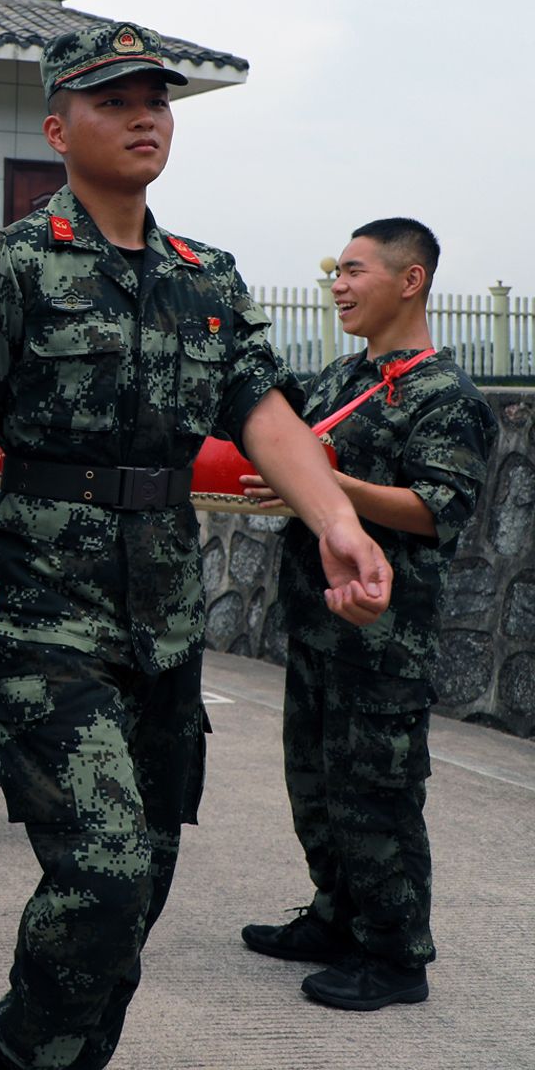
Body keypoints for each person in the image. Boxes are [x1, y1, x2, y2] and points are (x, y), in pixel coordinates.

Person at [0, 22, 393, 1070]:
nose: (144, 116)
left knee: (136, 884)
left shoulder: (206, 276)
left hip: (163, 614)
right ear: (57, 128)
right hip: (42, 611)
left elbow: (262, 413)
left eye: (157, 100)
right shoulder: (1, 270)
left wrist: (333, 520)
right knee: (97, 873)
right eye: (113, 101)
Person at [238, 219, 496, 1011]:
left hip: (387, 637)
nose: (339, 286)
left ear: (409, 279)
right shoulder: (340, 378)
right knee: (315, 782)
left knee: (377, 793)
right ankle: (335, 914)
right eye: (335, 273)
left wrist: (325, 485)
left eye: (354, 271)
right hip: (318, 625)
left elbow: (435, 508)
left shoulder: (445, 395)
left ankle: (395, 953)